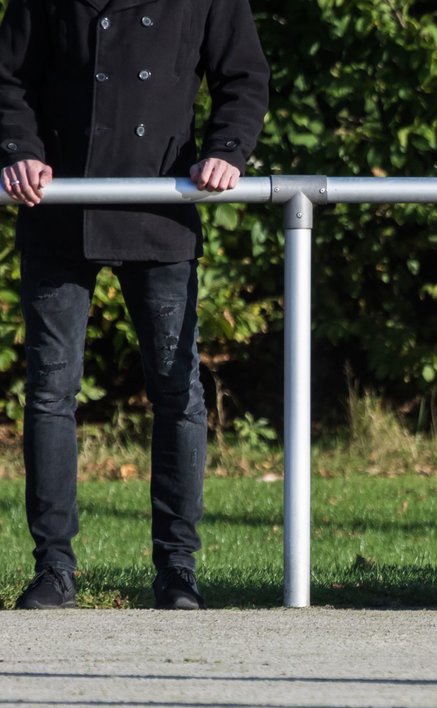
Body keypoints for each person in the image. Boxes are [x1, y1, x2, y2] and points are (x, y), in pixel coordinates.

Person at [0, 0, 270, 609]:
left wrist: (228, 148)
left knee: (178, 390)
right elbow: (9, 76)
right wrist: (19, 147)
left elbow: (243, 76)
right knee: (49, 390)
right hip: (59, 203)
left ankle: (178, 568)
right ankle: (53, 568)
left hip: (159, 201)